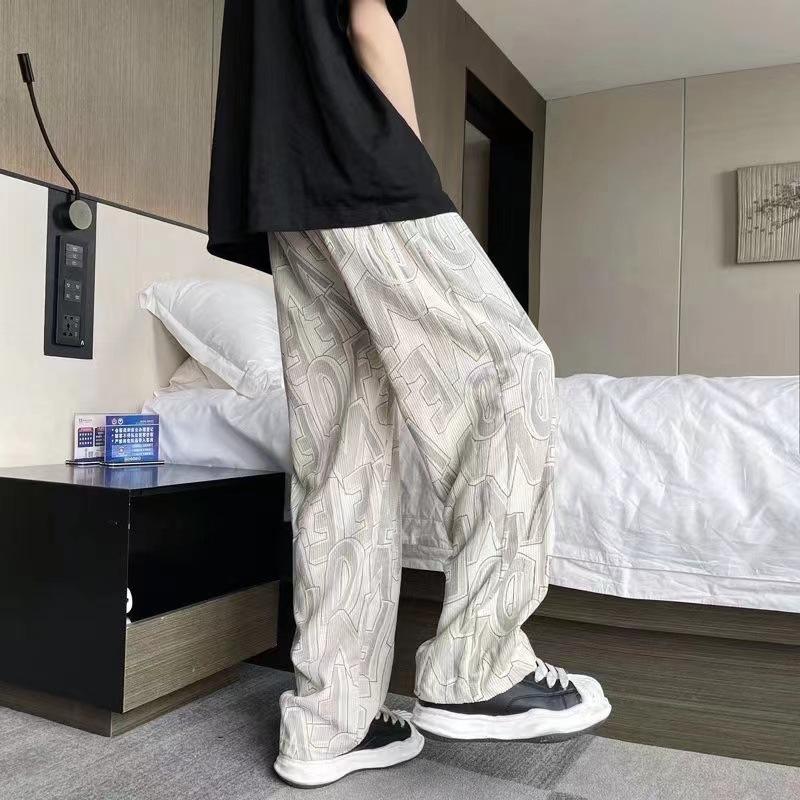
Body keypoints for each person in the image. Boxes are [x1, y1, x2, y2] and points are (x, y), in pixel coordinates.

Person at [207, 0, 611, 789]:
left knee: (345, 454)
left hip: (281, 181)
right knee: (510, 368)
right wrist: (417, 171)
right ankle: (478, 664)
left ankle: (330, 723)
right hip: (356, 159)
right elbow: (365, 19)